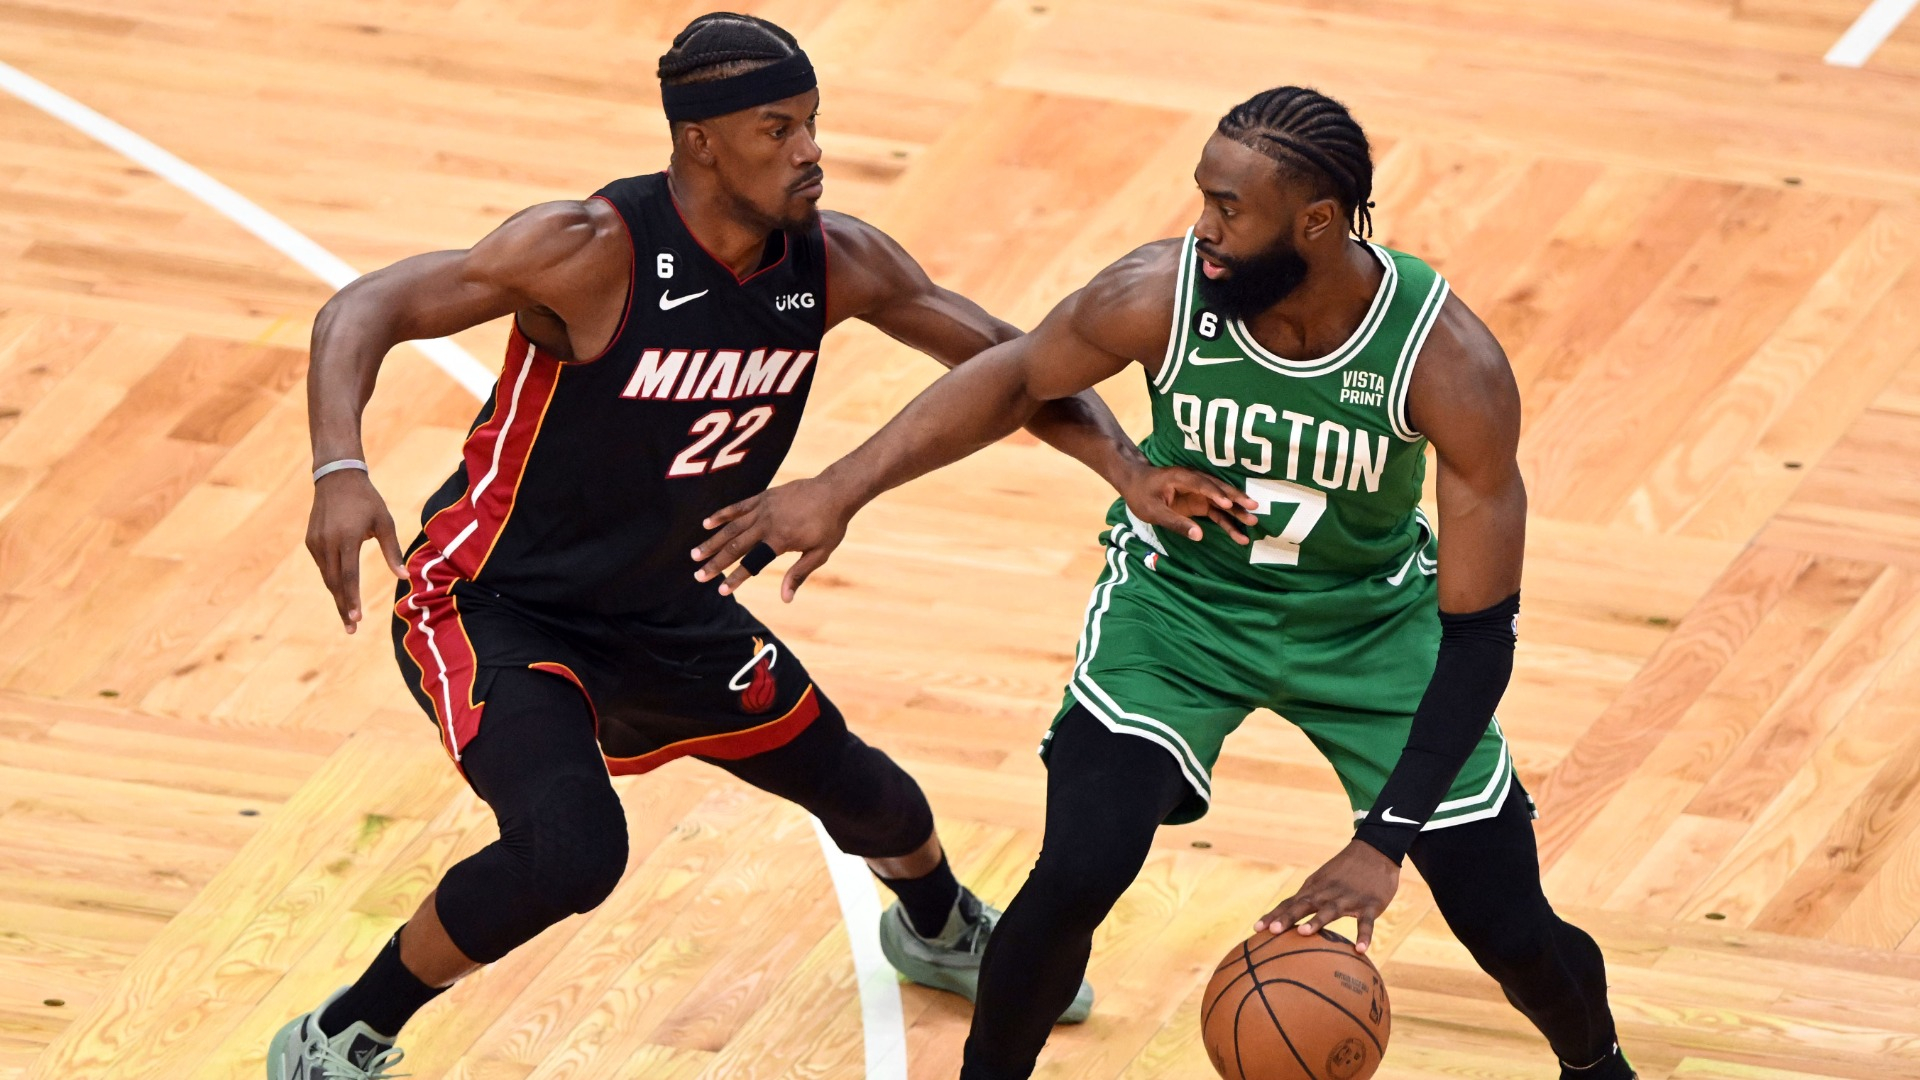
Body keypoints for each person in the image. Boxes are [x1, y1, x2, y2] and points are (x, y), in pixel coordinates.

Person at [267, 13, 1242, 1079]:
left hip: (672, 610)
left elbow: (1021, 365)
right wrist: (339, 466)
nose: (811, 150)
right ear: (700, 142)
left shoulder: (837, 261)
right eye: (778, 130)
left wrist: (1125, 470)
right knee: (568, 853)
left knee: (879, 800)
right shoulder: (589, 250)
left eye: (813, 124)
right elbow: (367, 306)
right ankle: (342, 1033)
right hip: (500, 603)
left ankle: (933, 926)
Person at [693, 86, 1636, 1080]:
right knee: (1077, 871)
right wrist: (843, 488)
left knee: (1510, 925)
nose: (1206, 230)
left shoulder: (1444, 360)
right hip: (1182, 612)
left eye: (1231, 209)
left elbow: (1482, 637)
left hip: (1372, 632)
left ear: (1316, 222)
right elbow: (1019, 378)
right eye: (1203, 200)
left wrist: (1380, 843)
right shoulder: (1158, 293)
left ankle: (1598, 1068)